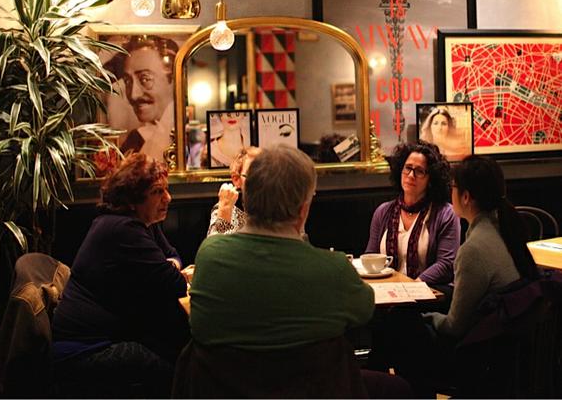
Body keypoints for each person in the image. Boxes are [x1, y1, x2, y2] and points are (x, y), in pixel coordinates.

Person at [188, 145, 410, 397]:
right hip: (313, 390)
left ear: (248, 196)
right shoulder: (333, 269)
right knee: (398, 390)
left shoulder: (209, 255)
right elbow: (364, 310)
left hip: (227, 390)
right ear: (303, 209)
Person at [52, 153, 193, 397]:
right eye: (158, 192)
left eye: (166, 190)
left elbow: (173, 256)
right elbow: (175, 283)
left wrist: (168, 266)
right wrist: (172, 270)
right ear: (133, 199)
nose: (168, 198)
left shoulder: (141, 223)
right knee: (178, 371)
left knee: (175, 352)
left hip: (104, 336)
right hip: (85, 350)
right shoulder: (122, 229)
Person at [425, 155, 539, 336]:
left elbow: (454, 328)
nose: (450, 192)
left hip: (482, 346)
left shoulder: (473, 250)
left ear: (465, 197)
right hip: (510, 337)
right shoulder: (505, 229)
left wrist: (429, 317)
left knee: (402, 322)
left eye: (452, 186)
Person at [365, 141, 460, 286]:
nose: (410, 175)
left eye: (419, 171)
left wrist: (412, 287)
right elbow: (371, 256)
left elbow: (446, 264)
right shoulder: (383, 211)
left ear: (431, 179)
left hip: (428, 291)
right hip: (387, 290)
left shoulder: (446, 214)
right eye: (408, 168)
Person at [104, 35, 179, 162]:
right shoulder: (135, 140)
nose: (134, 95)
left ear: (173, 78)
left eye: (145, 79)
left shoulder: (188, 134)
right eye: (128, 81)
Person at [206, 146, 261, 237]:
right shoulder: (229, 210)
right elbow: (215, 244)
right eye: (253, 175)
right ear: (236, 179)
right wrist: (225, 209)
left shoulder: (279, 207)